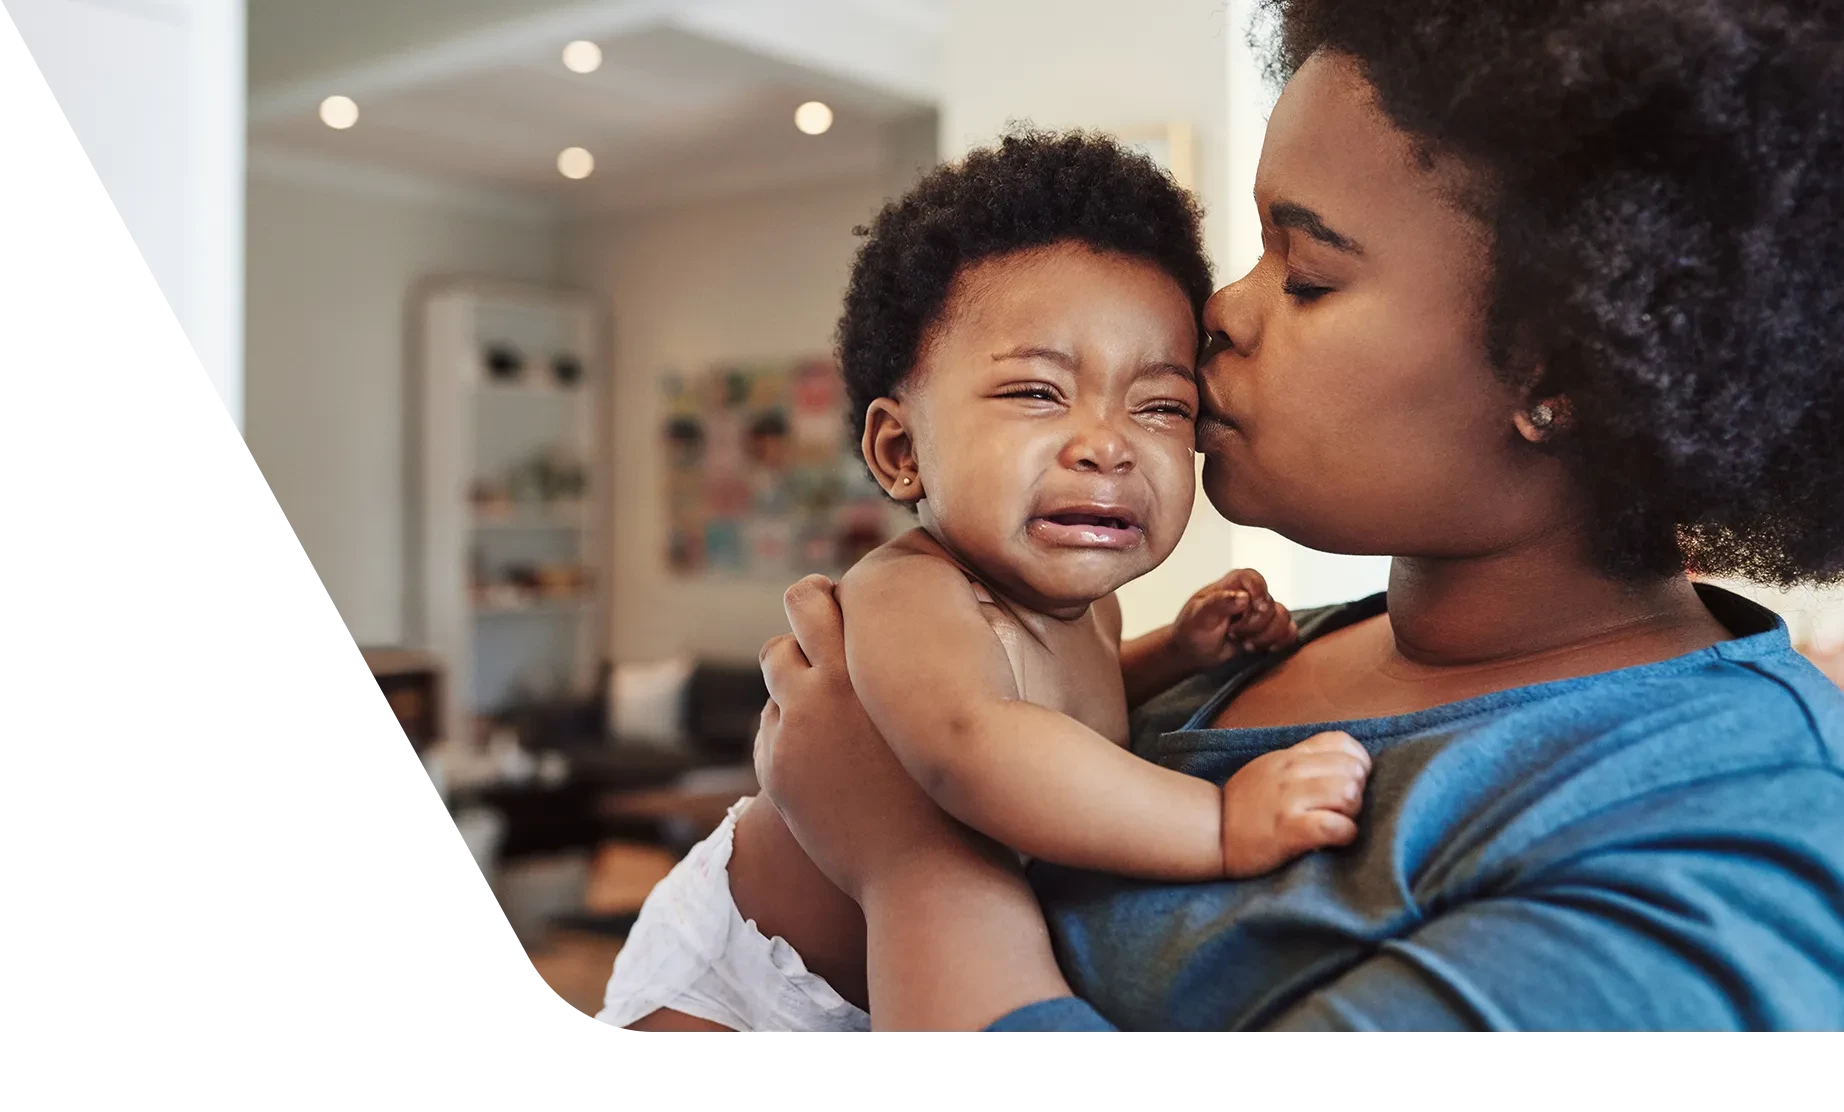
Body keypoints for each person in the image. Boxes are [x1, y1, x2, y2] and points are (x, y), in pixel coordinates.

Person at [752, 0, 1844, 1030]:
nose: (1218, 309)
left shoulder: (1717, 835)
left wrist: (908, 865)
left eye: (1307, 272)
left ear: (1568, 373)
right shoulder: (1268, 643)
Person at [599, 132, 1353, 1032]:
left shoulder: (1091, 610)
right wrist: (1220, 824)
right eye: (1038, 392)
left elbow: (1065, 703)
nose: (1107, 444)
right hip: (741, 974)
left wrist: (1179, 654)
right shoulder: (908, 592)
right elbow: (972, 745)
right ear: (901, 450)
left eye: (1161, 406)